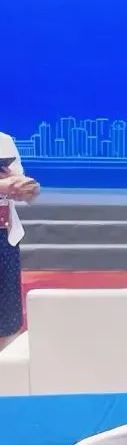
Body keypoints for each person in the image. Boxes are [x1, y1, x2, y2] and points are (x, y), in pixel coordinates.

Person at [0, 132, 40, 352]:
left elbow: (19, 181)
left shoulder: (4, 141)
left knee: (7, 315)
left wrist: (26, 188)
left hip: (5, 236)